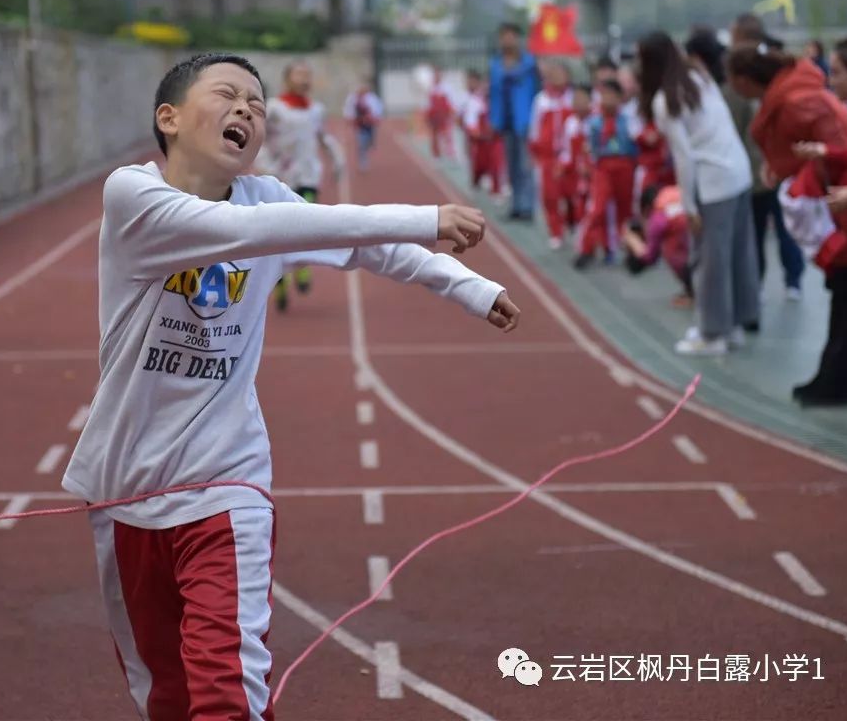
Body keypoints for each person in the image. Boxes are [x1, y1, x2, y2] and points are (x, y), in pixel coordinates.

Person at [66, 52, 520, 720]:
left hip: (227, 483)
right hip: (127, 487)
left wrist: (468, 285)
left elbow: (361, 246)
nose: (247, 110)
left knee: (226, 687)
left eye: (257, 103)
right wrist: (422, 216)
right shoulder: (132, 198)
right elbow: (246, 232)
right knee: (165, 692)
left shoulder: (269, 199)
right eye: (228, 95)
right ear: (169, 117)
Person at [740, 37, 847, 407]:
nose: (831, 79)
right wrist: (825, 153)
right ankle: (833, 380)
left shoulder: (808, 103)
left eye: (838, 72)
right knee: (845, 301)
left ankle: (834, 378)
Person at [639, 31, 759, 356]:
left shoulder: (666, 100)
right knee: (737, 255)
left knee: (710, 260)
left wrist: (688, 204)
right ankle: (733, 326)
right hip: (738, 172)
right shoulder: (698, 76)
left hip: (714, 182)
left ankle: (712, 333)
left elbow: (684, 156)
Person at [691, 23, 806, 301]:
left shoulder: (781, 97)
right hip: (765, 173)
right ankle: (777, 283)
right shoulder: (775, 93)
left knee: (767, 233)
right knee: (771, 232)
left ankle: (772, 284)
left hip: (761, 175)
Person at [259, 60, 344, 311]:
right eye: (299, 74)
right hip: (280, 179)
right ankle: (280, 282)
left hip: (308, 177)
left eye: (308, 74)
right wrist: (266, 165)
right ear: (287, 78)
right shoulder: (274, 108)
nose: (305, 79)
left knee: (305, 226)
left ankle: (302, 267)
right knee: (279, 235)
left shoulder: (316, 109)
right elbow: (258, 137)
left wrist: (337, 159)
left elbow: (322, 136)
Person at [575, 79, 637, 268]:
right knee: (597, 208)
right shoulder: (595, 122)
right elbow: (590, 147)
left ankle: (627, 248)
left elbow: (635, 144)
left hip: (625, 165)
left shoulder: (627, 119)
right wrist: (588, 164)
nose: (607, 100)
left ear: (620, 98)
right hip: (603, 167)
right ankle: (586, 249)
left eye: (612, 96)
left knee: (625, 209)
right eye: (604, 95)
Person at [490, 22, 541, 221]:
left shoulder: (529, 63)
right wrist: (493, 119)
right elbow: (493, 93)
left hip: (524, 119)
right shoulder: (496, 63)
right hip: (505, 119)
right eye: (504, 36)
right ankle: (516, 204)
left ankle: (528, 206)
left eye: (511, 36)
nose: (507, 40)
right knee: (510, 165)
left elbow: (537, 91)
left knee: (525, 165)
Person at [623, 183, 693, 307]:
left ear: (646, 209)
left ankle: (693, 292)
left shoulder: (657, 217)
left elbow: (650, 257)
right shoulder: (673, 191)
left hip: (690, 243)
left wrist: (632, 240)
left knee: (670, 249)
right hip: (706, 226)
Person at [528, 60, 574, 248]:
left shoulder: (572, 98)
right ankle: (555, 231)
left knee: (571, 193)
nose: (556, 78)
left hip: (569, 155)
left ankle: (572, 221)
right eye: (553, 74)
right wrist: (534, 152)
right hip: (548, 156)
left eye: (560, 73)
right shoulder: (542, 99)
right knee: (550, 195)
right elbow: (534, 127)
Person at [460, 68, 506, 194]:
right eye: (486, 82)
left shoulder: (500, 100)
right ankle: (476, 183)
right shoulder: (475, 100)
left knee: (496, 165)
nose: (488, 86)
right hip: (480, 141)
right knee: (479, 166)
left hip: (496, 140)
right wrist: (478, 134)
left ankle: (497, 190)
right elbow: (470, 122)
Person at [556, 87, 593, 237]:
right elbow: (566, 149)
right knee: (570, 200)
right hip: (573, 171)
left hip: (590, 172)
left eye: (582, 100)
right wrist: (562, 165)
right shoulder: (570, 123)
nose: (578, 104)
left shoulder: (593, 122)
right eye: (575, 100)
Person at [343, 77, 384, 171]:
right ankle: (363, 161)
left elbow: (378, 108)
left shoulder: (372, 98)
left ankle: (370, 143)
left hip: (370, 124)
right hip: (360, 124)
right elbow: (348, 108)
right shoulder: (353, 98)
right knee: (361, 143)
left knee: (369, 142)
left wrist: (376, 117)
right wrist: (349, 118)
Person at [425, 66, 458, 162]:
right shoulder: (430, 88)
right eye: (435, 74)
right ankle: (436, 156)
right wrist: (428, 116)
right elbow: (427, 104)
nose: (436, 76)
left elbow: (452, 101)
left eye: (438, 74)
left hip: (445, 117)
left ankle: (451, 155)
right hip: (434, 117)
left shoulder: (447, 87)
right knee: (435, 137)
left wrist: (452, 113)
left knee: (448, 136)